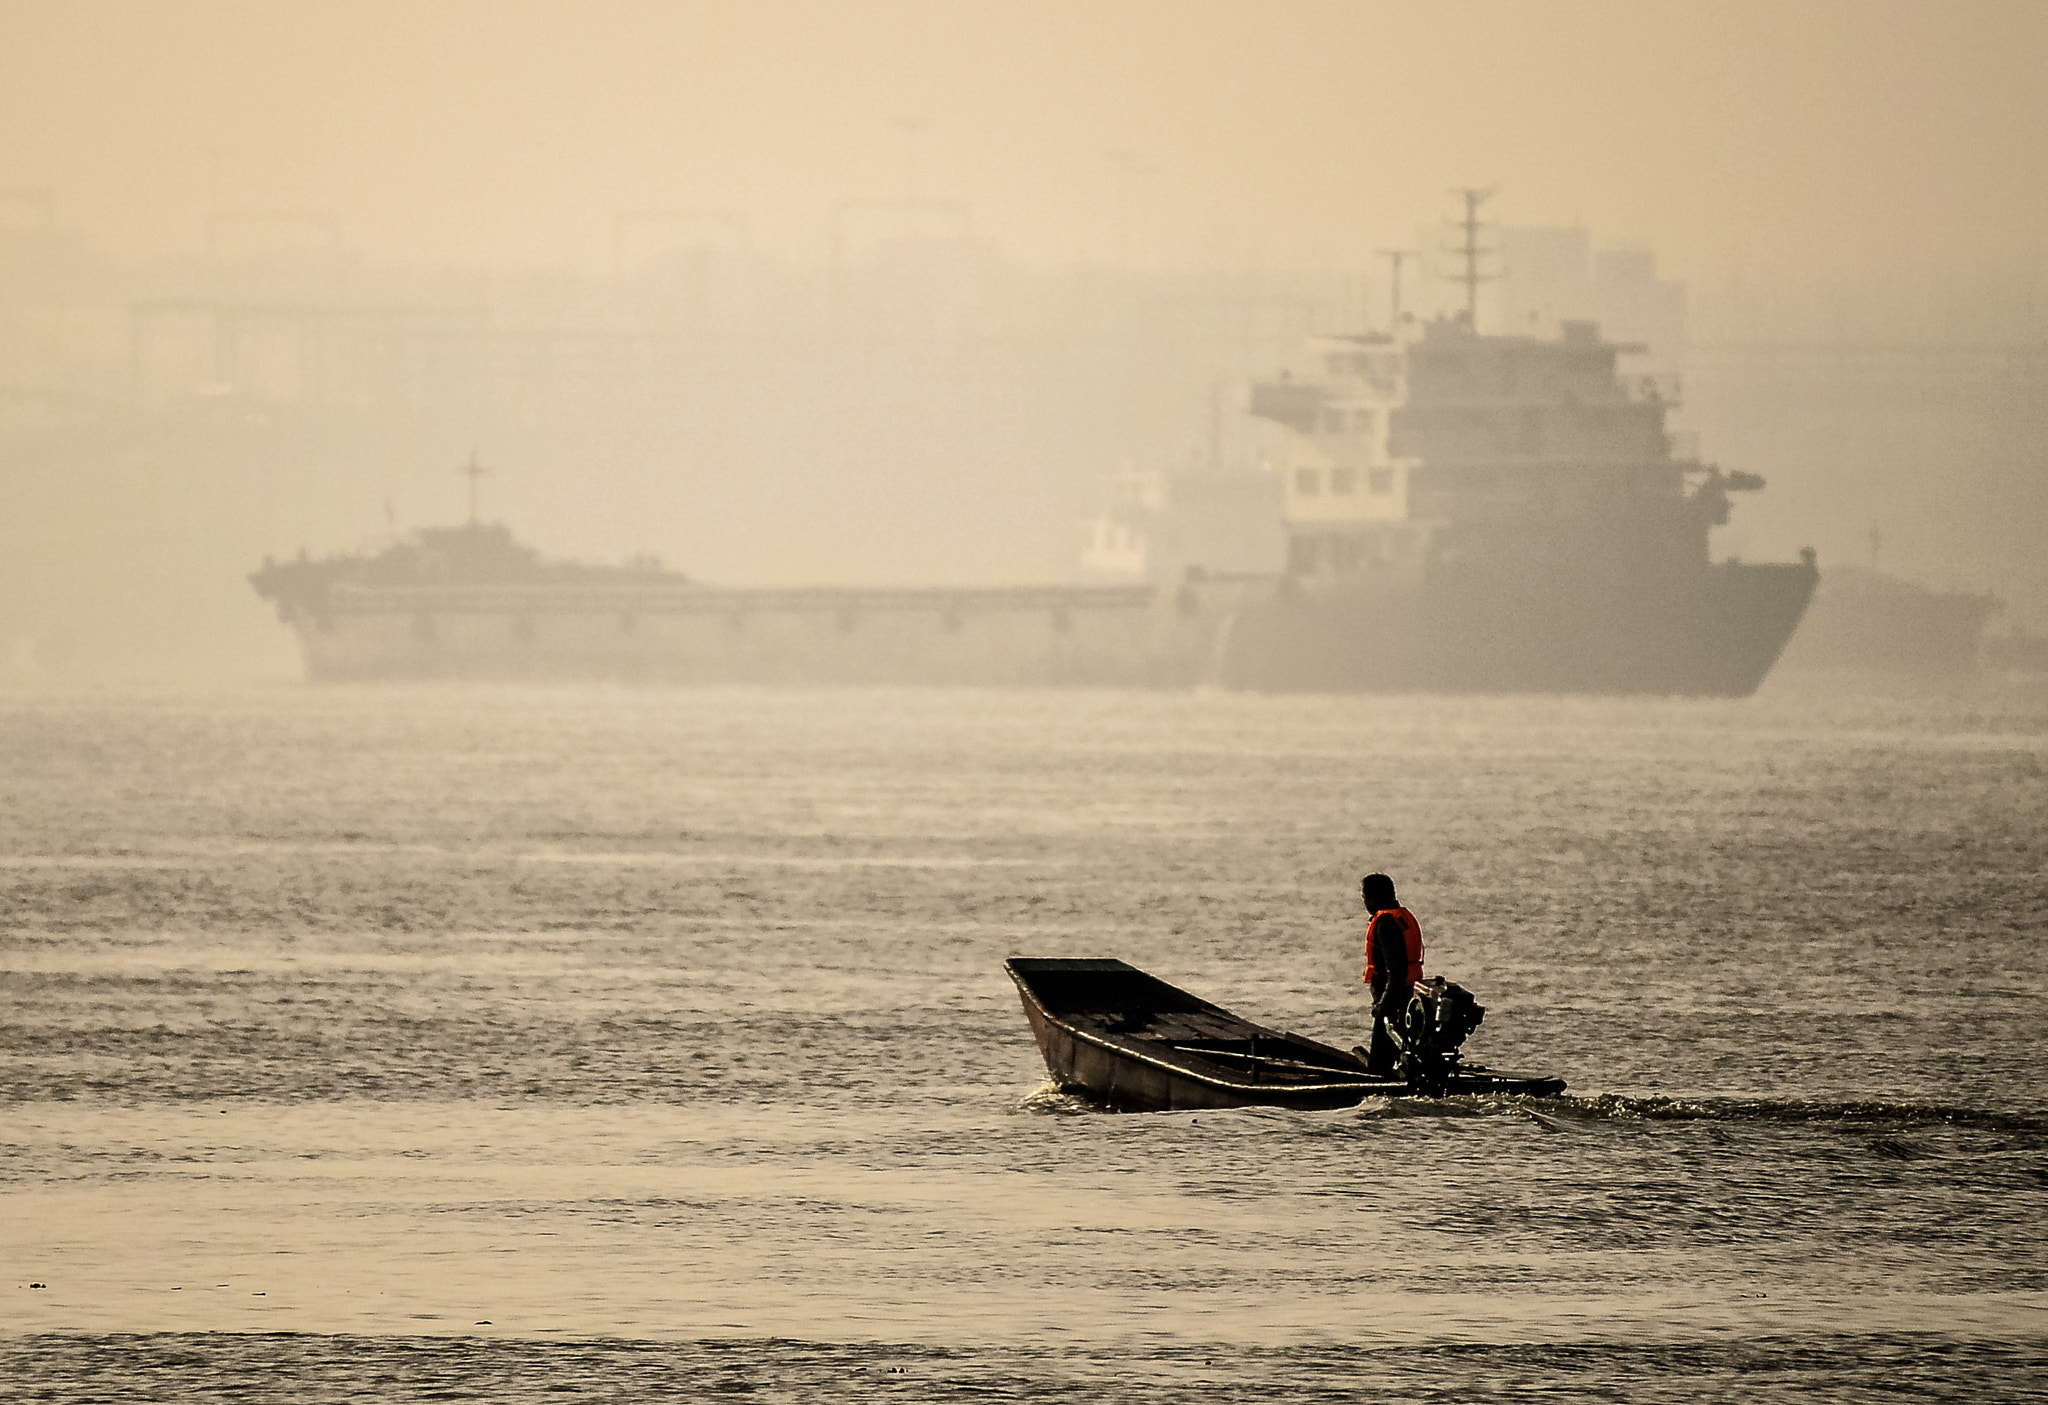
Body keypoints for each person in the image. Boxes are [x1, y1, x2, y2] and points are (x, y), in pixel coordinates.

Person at [1360, 873, 1424, 1076]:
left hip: (1393, 1002)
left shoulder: (1386, 923)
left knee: (1379, 1066)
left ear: (1372, 898)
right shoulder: (1403, 916)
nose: (1365, 903)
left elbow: (1396, 972)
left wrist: (1383, 1006)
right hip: (1408, 996)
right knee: (1403, 1053)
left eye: (1364, 898)